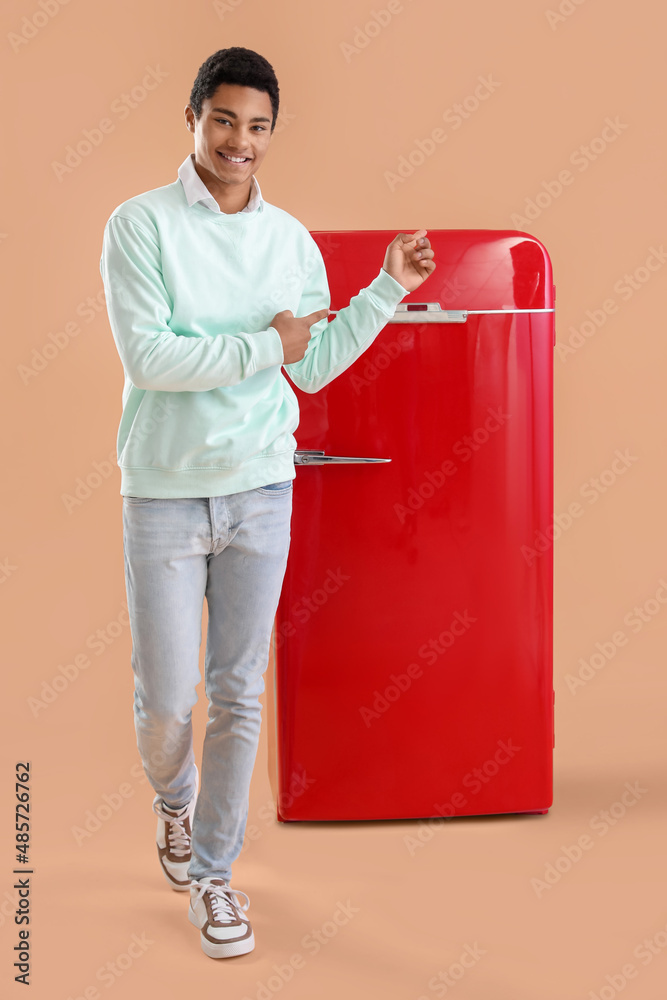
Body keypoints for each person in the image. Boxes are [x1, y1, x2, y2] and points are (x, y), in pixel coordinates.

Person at [99, 45, 435, 960]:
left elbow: (312, 360)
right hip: (165, 495)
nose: (238, 141)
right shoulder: (139, 225)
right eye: (223, 121)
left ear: (270, 135)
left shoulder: (288, 240)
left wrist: (385, 292)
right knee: (169, 702)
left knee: (240, 693)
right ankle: (173, 803)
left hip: (259, 492)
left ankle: (214, 874)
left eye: (256, 127)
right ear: (192, 119)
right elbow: (152, 361)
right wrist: (262, 344)